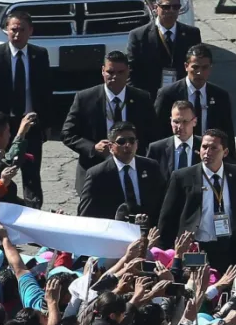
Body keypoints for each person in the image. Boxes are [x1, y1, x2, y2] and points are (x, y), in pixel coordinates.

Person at [157, 128, 236, 274]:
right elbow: (167, 217)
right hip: (195, 248)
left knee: (224, 292)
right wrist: (163, 251)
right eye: (204, 147)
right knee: (195, 291)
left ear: (225, 152)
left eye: (214, 148)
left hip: (226, 248)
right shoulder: (182, 177)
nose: (207, 152)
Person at [0, 9, 53, 206]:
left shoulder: (40, 55)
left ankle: (34, 216)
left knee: (31, 177)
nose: (17, 35)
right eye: (13, 30)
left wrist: (44, 125)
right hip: (3, 126)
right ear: (6, 31)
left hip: (30, 125)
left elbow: (46, 92)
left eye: (22, 30)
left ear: (30, 31)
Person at [61, 51, 159, 192]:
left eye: (120, 72)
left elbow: (152, 134)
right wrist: (93, 148)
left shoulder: (142, 99)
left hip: (132, 170)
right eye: (110, 72)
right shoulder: (85, 98)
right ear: (102, 71)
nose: (115, 77)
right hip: (95, 171)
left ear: (128, 72)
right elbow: (67, 133)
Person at [154, 45, 236, 159]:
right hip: (179, 156)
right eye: (195, 67)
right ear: (186, 67)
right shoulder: (168, 94)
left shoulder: (220, 96)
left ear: (210, 68)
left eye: (204, 68)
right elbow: (157, 132)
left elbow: (228, 136)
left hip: (210, 157)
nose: (199, 73)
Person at [77, 122, 163, 221]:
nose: (127, 145)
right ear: (110, 147)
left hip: (148, 231)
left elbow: (162, 203)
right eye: (121, 141)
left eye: (132, 140)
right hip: (114, 231)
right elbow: (85, 214)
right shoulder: (97, 175)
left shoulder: (151, 167)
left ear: (137, 144)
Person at [126, 0, 200, 95]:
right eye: (166, 7)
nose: (171, 11)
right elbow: (131, 74)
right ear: (156, 7)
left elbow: (198, 68)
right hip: (151, 98)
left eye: (176, 7)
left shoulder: (191, 34)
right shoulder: (139, 36)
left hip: (182, 97)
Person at [145, 99, 201, 182]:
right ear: (170, 121)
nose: (180, 126)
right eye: (176, 122)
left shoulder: (205, 146)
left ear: (194, 122)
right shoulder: (157, 149)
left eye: (185, 122)